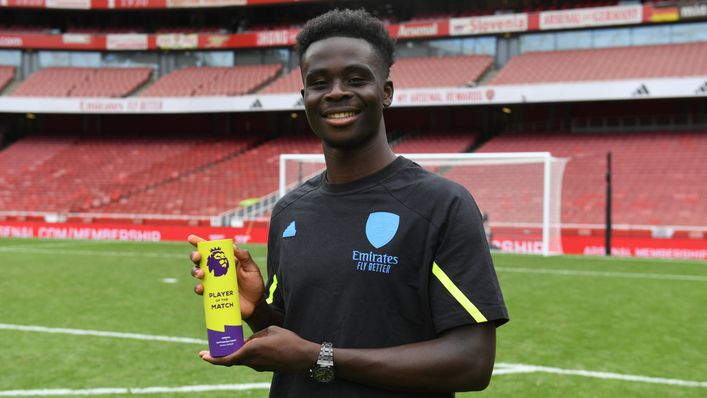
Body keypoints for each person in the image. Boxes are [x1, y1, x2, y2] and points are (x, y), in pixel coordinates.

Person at [189, 9, 508, 397]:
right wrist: (257, 311)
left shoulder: (441, 205)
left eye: (356, 79)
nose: (336, 92)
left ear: (386, 92)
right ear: (304, 97)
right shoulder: (289, 211)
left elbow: (472, 363)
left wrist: (317, 357)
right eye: (319, 82)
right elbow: (292, 339)